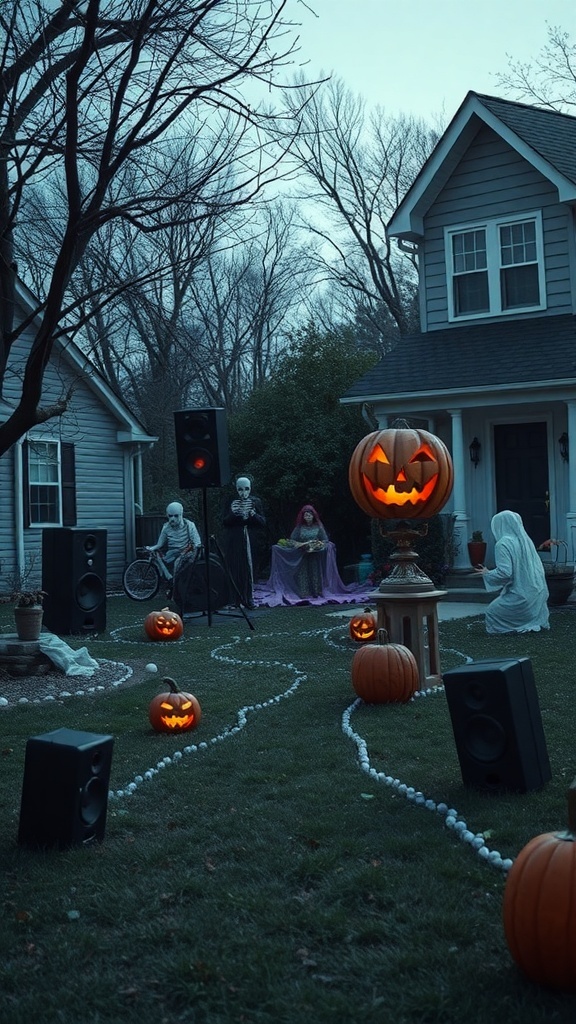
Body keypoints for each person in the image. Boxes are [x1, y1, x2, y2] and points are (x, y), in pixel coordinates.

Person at [473, 510, 549, 634]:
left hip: (522, 597)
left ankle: (510, 628)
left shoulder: (503, 544)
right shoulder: (525, 541)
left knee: (492, 612)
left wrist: (487, 573)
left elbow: (505, 573)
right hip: (537, 595)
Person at [221, 476, 266, 609]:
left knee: (249, 568)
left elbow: (263, 522)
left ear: (250, 489)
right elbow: (224, 521)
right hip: (234, 539)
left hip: (250, 539)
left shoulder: (256, 501)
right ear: (236, 489)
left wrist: (254, 515)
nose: (243, 493)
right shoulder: (229, 501)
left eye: (246, 489)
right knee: (234, 567)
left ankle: (249, 598)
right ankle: (234, 600)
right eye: (240, 489)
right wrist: (233, 514)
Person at [146, 501, 201, 595]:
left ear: (181, 514)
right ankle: (169, 578)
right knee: (158, 556)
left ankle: (175, 590)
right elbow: (159, 544)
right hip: (173, 553)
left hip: (188, 552)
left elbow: (197, 543)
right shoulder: (166, 527)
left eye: (176, 516)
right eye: (170, 516)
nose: (172, 519)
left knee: (177, 563)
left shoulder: (189, 525)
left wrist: (191, 553)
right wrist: (151, 548)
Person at [288, 504, 329, 598]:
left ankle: (316, 592)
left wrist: (317, 545)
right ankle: (304, 593)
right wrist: (301, 545)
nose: (308, 516)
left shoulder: (318, 527)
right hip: (302, 554)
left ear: (313, 515)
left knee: (315, 572)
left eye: (309, 515)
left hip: (315, 554)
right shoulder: (299, 527)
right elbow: (292, 540)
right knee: (303, 573)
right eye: (305, 515)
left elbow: (325, 540)